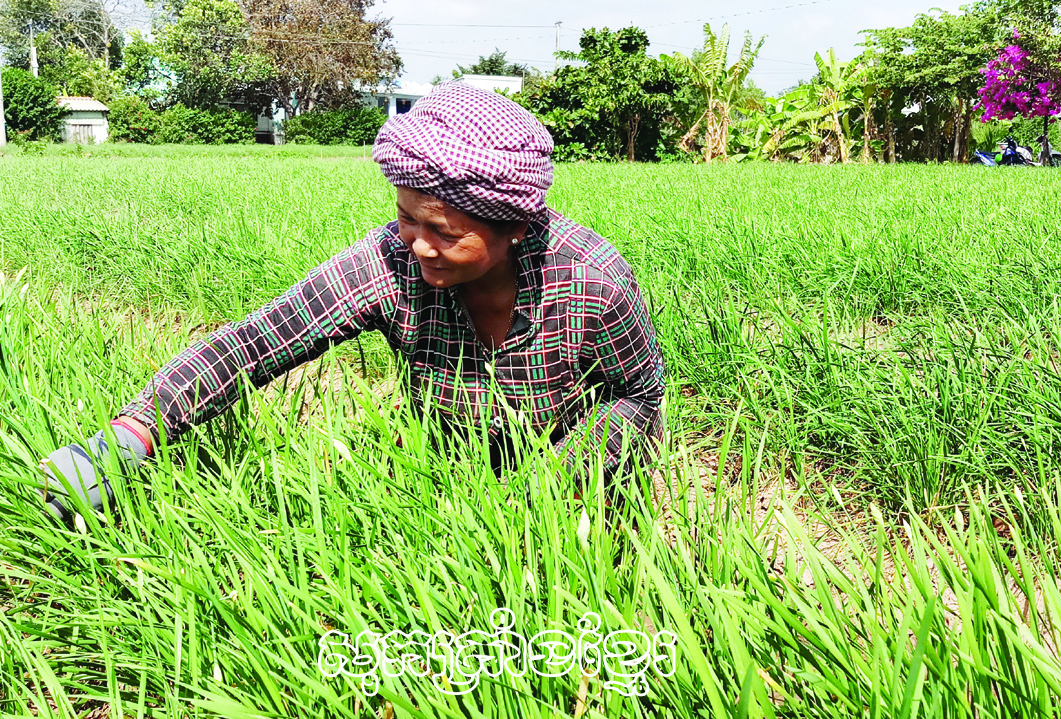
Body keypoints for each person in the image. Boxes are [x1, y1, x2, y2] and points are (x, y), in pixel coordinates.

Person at [38, 82, 666, 527]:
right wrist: (134, 432)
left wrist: (560, 487)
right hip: (443, 479)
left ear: (514, 229)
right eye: (406, 217)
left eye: (446, 232)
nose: (419, 244)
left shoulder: (594, 284)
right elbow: (261, 340)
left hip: (576, 494)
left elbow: (640, 397)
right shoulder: (391, 262)